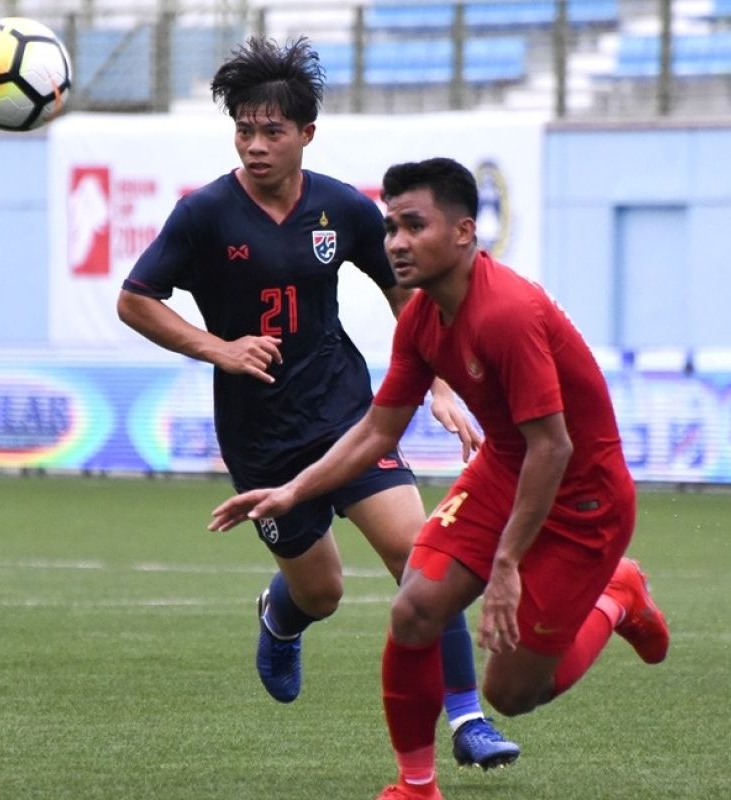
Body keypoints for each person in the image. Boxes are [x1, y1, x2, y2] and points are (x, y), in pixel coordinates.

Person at [210, 157, 670, 800]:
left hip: (583, 498)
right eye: (391, 226)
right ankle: (416, 786)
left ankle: (618, 596)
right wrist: (293, 491)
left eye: (412, 225)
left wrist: (506, 565)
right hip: (507, 470)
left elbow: (554, 447)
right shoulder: (423, 318)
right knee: (417, 606)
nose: (394, 241)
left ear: (463, 233)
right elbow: (376, 433)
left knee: (513, 693)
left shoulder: (506, 312)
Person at [116, 39, 519, 769]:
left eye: (273, 131)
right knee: (323, 591)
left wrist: (436, 381)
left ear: (307, 133)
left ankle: (467, 718)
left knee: (422, 556)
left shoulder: (342, 208)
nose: (256, 144)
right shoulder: (204, 213)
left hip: (348, 414)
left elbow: (407, 293)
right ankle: (280, 617)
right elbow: (134, 301)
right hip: (261, 434)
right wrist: (221, 347)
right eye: (244, 129)